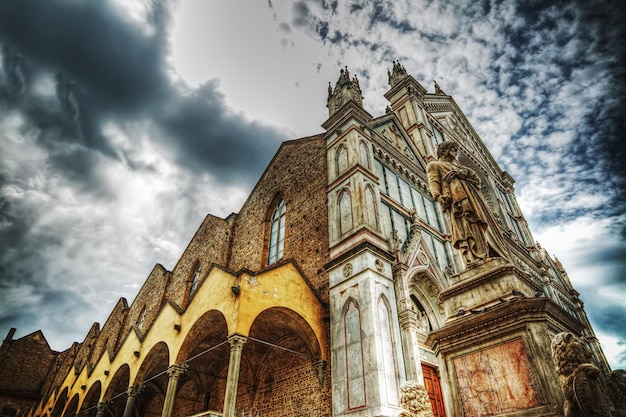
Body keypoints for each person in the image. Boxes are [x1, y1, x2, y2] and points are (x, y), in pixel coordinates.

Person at [427, 141, 490, 267]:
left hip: (470, 200)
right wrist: (439, 196)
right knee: (463, 227)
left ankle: (483, 255)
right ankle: (470, 258)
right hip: (455, 201)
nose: (456, 153)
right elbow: (433, 181)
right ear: (444, 150)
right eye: (453, 150)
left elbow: (476, 180)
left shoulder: (461, 168)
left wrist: (463, 173)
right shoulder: (435, 165)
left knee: (475, 225)